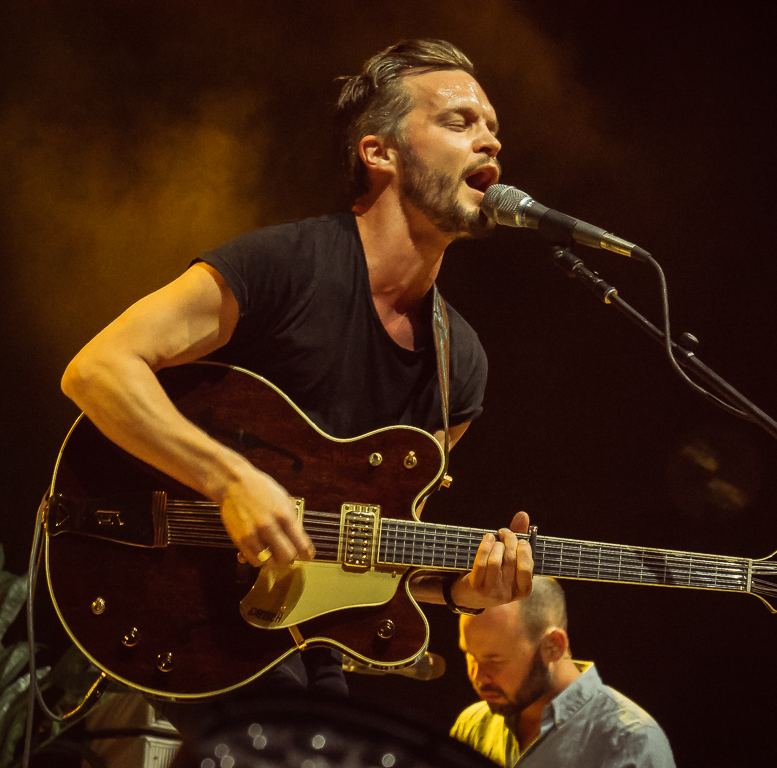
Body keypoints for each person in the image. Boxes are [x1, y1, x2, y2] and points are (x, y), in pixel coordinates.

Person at [60, 38, 533, 721]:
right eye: (459, 121)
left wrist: (466, 591)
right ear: (380, 152)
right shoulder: (285, 265)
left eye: (493, 128)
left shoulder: (460, 359)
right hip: (180, 607)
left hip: (305, 641)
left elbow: (377, 548)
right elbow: (98, 369)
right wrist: (230, 481)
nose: (488, 142)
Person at [452, 577, 675, 767]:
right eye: (470, 656)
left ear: (554, 646)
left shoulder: (631, 739)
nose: (478, 676)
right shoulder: (473, 724)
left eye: (495, 660)